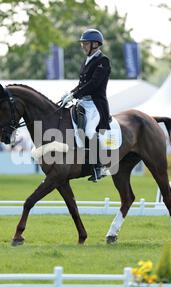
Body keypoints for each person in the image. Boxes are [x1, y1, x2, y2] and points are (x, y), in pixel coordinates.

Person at [61, 28, 112, 182]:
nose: (83, 46)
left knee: (89, 131)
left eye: (86, 43)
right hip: (84, 102)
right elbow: (81, 84)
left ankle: (100, 166)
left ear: (95, 44)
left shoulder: (103, 61)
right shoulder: (86, 61)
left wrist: (75, 95)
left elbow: (94, 84)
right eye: (82, 43)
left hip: (96, 104)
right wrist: (70, 94)